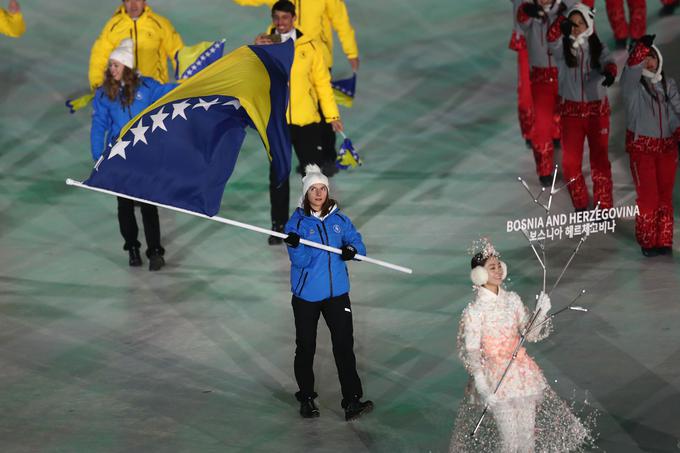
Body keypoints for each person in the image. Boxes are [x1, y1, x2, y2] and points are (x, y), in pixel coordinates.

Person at [450, 240, 591, 452]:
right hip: (496, 378)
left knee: (527, 439)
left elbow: (530, 334)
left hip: (522, 375)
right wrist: (482, 386)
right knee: (510, 443)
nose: (498, 270)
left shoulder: (513, 300)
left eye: (499, 265)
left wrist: (541, 312)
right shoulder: (475, 311)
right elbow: (471, 352)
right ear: (479, 274)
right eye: (492, 267)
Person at [282, 164, 373, 421]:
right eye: (313, 189)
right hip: (307, 297)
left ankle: (352, 400)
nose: (319, 193)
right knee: (306, 347)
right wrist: (295, 246)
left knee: (344, 345)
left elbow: (358, 244)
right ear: (306, 193)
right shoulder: (297, 223)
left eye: (322, 188)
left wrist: (352, 251)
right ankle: (307, 398)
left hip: (337, 295)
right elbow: (300, 262)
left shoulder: (340, 220)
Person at [253, 0, 344, 245]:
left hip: (307, 123)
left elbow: (322, 83)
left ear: (294, 18)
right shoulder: (264, 44)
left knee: (313, 175)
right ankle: (279, 225)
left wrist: (332, 115)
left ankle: (316, 223)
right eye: (277, 18)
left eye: (285, 18)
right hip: (279, 123)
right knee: (279, 175)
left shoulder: (309, 46)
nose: (281, 23)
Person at [234, 0, 359, 171]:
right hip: (286, 59)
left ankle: (328, 155)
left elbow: (340, 21)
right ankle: (308, 156)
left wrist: (351, 51)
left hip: (316, 58)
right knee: (294, 105)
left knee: (323, 110)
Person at [90, 39, 176, 270]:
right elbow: (99, 126)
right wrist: (99, 156)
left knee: (148, 204)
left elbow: (170, 91)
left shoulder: (146, 88)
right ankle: (133, 248)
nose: (111, 69)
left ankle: (155, 250)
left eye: (116, 65)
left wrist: (193, 82)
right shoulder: (104, 94)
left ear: (127, 67)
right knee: (125, 205)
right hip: (119, 156)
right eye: (111, 65)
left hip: (145, 154)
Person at [547, 2, 617, 211]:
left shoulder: (598, 47)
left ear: (589, 24)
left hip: (597, 112)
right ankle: (580, 204)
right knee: (570, 165)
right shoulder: (562, 49)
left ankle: (604, 207)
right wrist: (561, 23)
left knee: (600, 162)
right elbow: (551, 39)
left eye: (580, 23)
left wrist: (610, 72)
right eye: (573, 23)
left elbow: (609, 61)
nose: (576, 27)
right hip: (572, 113)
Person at [620, 35, 680, 257]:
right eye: (644, 59)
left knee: (665, 195)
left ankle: (663, 239)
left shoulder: (667, 84)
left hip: (667, 149)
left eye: (652, 57)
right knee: (648, 197)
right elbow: (629, 74)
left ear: (659, 60)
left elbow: (676, 112)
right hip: (642, 151)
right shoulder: (633, 89)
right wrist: (640, 49)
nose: (648, 62)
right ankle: (648, 241)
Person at [517, 0, 577, 186]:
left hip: (565, 75)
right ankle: (544, 169)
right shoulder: (529, 13)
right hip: (541, 79)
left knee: (571, 124)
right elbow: (522, 18)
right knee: (542, 125)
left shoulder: (567, 10)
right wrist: (530, 11)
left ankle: (572, 169)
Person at [88, 0, 183, 90]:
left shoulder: (160, 24)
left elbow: (179, 54)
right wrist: (98, 86)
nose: (133, 6)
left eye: (137, 0)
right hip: (124, 93)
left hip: (155, 90)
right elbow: (99, 58)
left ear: (144, 1)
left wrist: (184, 84)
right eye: (129, 0)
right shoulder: (112, 26)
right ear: (124, 2)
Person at [509, 0, 535, 148]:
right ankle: (530, 130)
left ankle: (555, 130)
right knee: (526, 91)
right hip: (526, 37)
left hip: (550, 37)